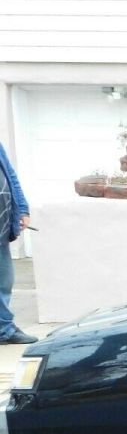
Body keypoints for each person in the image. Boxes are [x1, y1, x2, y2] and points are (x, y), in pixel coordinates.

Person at [1, 139, 36, 344]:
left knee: (4, 282)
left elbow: (10, 177)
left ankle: (4, 329)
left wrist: (22, 209)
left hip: (1, 226)